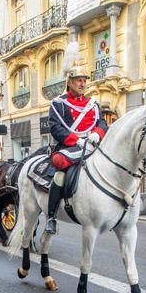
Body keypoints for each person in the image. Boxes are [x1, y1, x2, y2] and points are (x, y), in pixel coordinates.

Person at [46, 60, 108, 234]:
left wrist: (98, 132)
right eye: (78, 80)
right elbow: (55, 128)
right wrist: (76, 140)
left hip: (92, 144)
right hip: (69, 147)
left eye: (84, 80)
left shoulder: (93, 104)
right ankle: (51, 217)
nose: (82, 84)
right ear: (70, 82)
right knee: (60, 169)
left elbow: (102, 122)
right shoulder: (58, 104)